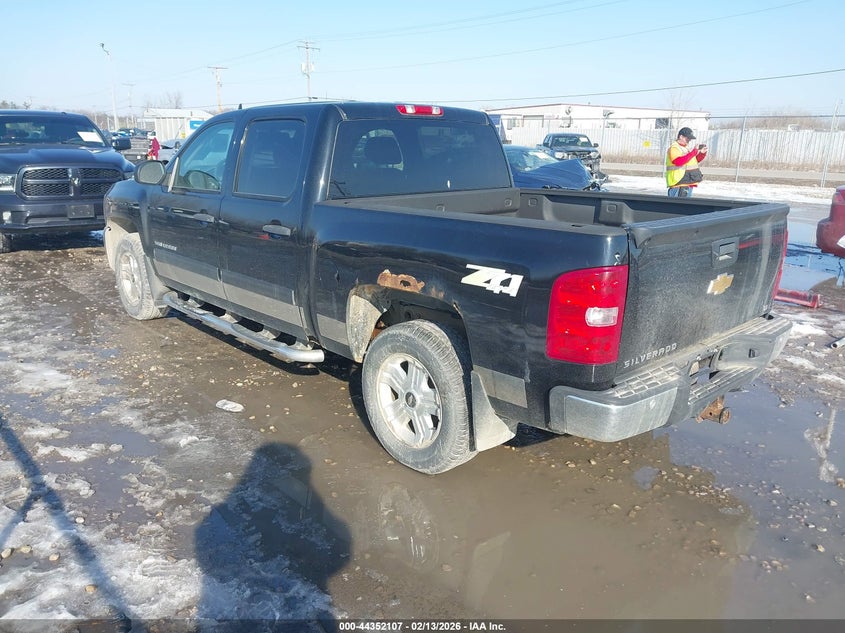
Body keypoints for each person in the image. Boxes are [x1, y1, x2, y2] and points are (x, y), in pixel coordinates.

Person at [665, 127, 707, 197]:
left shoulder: (685, 148)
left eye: (690, 139)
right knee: (677, 206)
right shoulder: (674, 148)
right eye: (687, 138)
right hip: (678, 183)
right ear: (681, 137)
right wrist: (694, 152)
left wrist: (702, 154)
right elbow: (678, 161)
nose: (689, 140)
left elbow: (693, 161)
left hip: (687, 182)